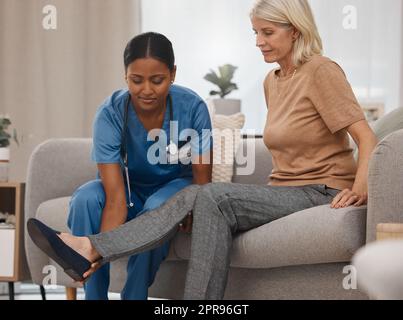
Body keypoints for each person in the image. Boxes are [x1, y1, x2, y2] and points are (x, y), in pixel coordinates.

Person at [28, 0, 378, 300]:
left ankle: (90, 247)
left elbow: (367, 138)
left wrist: (360, 189)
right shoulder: (273, 81)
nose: (258, 42)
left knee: (209, 195)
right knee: (208, 200)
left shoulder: (321, 70)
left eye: (267, 33)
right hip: (283, 192)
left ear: (295, 31)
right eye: (255, 32)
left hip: (321, 190)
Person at [50, 32, 213, 300]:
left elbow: (202, 179)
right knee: (86, 199)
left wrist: (194, 209)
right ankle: (93, 293)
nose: (146, 90)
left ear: (173, 74)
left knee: (156, 211)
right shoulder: (110, 113)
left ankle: (134, 296)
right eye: (136, 80)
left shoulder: (193, 107)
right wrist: (100, 249)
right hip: (129, 188)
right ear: (125, 75)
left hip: (174, 187)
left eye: (157, 80)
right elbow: (115, 197)